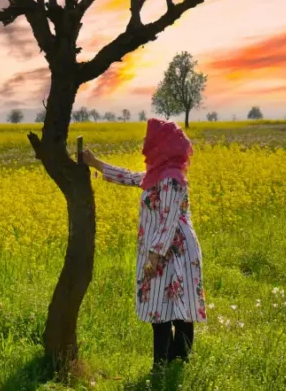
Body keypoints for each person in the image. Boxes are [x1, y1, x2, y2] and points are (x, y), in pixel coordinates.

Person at [82, 118, 207, 368]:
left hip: (175, 252)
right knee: (160, 309)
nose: (146, 145)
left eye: (151, 140)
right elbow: (129, 177)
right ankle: (163, 365)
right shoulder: (157, 175)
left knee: (178, 310)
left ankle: (176, 363)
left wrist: (155, 254)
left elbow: (169, 218)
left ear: (163, 145)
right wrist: (96, 163)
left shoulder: (172, 179)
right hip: (160, 249)